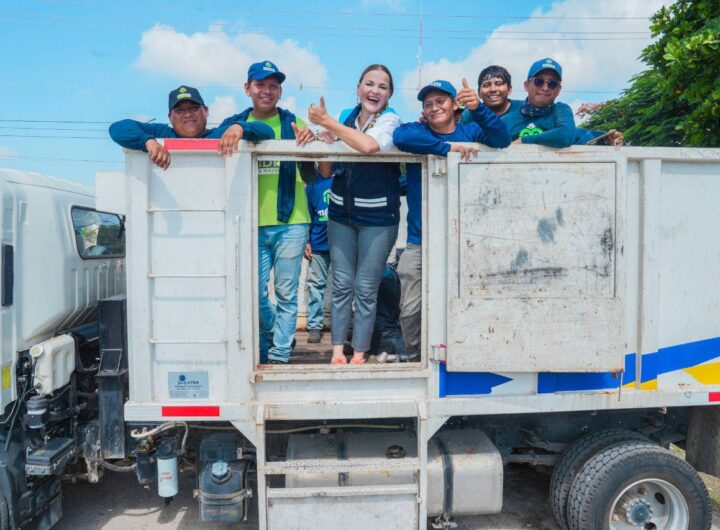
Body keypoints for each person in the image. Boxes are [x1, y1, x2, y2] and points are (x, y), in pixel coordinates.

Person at [392, 79, 511, 361]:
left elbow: (502, 138)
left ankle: (463, 355)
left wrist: (478, 108)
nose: (434, 108)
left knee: (465, 301)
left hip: (465, 239)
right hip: (420, 240)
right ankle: (415, 356)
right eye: (428, 104)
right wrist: (447, 148)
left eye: (440, 101)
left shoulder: (471, 131)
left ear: (454, 104)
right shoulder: (418, 132)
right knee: (410, 307)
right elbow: (400, 138)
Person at [219, 61, 317, 365]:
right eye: (260, 84)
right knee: (252, 292)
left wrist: (311, 145)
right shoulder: (232, 124)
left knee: (286, 293)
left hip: (292, 221)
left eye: (274, 85)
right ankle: (270, 339)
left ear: (280, 91)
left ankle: (278, 353)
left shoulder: (294, 123)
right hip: (248, 223)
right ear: (247, 88)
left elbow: (312, 174)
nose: (267, 90)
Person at [307, 64, 402, 365]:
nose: (375, 91)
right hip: (340, 215)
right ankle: (337, 352)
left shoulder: (390, 120)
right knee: (341, 285)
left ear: (389, 94)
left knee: (365, 288)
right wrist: (321, 143)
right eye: (369, 84)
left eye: (382, 86)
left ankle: (360, 353)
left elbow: (368, 145)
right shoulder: (346, 117)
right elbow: (326, 171)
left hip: (378, 219)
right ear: (358, 87)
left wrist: (329, 124)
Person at [108, 85, 274, 168]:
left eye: (193, 108)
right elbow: (117, 128)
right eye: (180, 110)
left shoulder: (220, 134)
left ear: (206, 111)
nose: (187, 114)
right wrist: (148, 142)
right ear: (170, 117)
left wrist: (240, 127)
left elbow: (268, 132)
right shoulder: (162, 134)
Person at [469, 65, 623, 146]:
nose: (545, 87)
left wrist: (604, 139)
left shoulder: (560, 110)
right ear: (526, 85)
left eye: (552, 84)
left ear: (558, 90)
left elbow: (567, 136)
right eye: (539, 81)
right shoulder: (508, 120)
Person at [304, 170, 333, 344]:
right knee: (315, 286)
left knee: (344, 287)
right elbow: (307, 214)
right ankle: (314, 326)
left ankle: (344, 327)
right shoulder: (312, 184)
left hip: (342, 245)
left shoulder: (343, 178)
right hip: (318, 244)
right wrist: (306, 240)